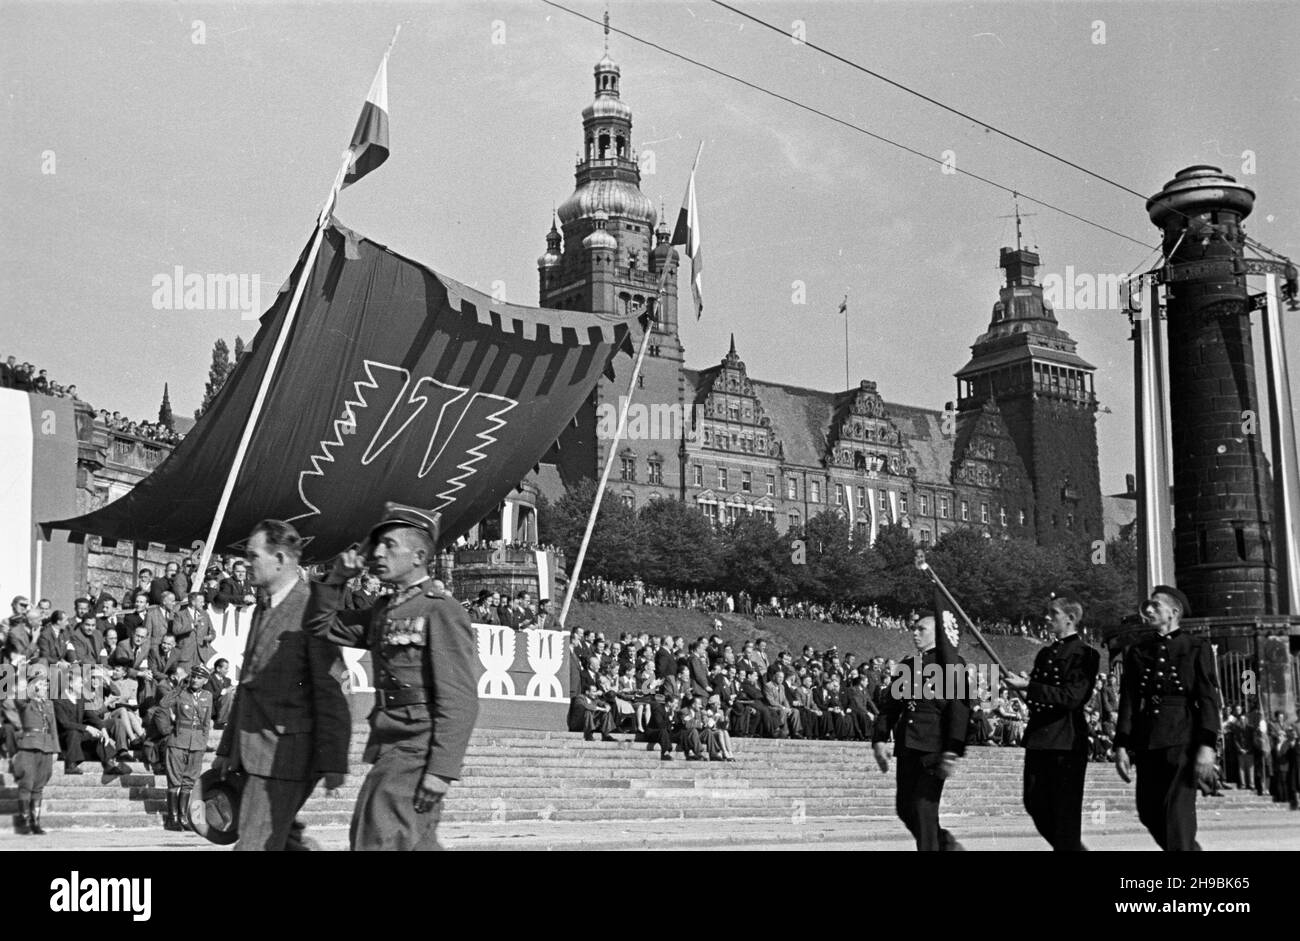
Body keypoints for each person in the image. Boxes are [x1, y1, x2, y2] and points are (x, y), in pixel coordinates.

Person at [305, 503, 478, 851]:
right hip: (391, 743)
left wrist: (441, 769)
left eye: (389, 546)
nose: (378, 554)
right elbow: (321, 625)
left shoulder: (440, 609)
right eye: (377, 545)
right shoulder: (385, 610)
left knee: (377, 836)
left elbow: (460, 698)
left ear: (418, 556)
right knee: (407, 841)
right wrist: (338, 578)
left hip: (417, 748)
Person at [213, 520, 351, 851]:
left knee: (255, 845)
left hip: (286, 755)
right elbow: (247, 687)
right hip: (252, 751)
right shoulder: (264, 605)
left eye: (252, 555)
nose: (247, 563)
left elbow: (331, 688)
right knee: (281, 840)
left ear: (279, 558)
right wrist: (225, 750)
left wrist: (334, 761)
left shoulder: (311, 607)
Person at [1114, 586, 1221, 851]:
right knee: (1148, 812)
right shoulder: (1138, 651)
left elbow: (1208, 698)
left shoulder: (1196, 647)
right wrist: (1121, 745)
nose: (1147, 610)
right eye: (1147, 606)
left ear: (1173, 612)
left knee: (1177, 816)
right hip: (1147, 739)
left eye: (1155, 606)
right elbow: (1128, 700)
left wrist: (1207, 745)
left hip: (1182, 738)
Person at [1002, 593, 1101, 851]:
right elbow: (1037, 698)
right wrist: (1022, 689)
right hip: (1040, 738)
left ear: (1070, 619)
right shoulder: (1045, 654)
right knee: (1033, 803)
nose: (1046, 618)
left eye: (1053, 613)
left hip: (1066, 740)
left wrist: (1029, 686)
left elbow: (1072, 698)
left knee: (1065, 815)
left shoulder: (1086, 654)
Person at [871, 615, 970, 852]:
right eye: (914, 629)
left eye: (921, 629)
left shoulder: (952, 663)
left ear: (936, 634)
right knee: (905, 808)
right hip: (908, 746)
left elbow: (960, 710)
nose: (914, 633)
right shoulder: (907, 665)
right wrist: (879, 739)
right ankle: (947, 846)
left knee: (924, 810)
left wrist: (953, 750)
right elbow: (891, 707)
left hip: (934, 748)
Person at [2, 668, 59, 835]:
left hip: (46, 745)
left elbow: (53, 728)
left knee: (39, 786)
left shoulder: (49, 704)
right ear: (34, 687)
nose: (45, 687)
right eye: (41, 684)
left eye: (45, 684)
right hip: (28, 745)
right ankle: (24, 820)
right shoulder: (26, 702)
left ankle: (35, 822)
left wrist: (55, 750)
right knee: (26, 783)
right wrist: (28, 684)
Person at [161, 664, 213, 831]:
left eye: (199, 678)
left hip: (197, 743)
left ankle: (183, 817)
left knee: (189, 781)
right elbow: (163, 703)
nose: (195, 680)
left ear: (205, 681)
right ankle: (172, 818)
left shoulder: (207, 696)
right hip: (178, 741)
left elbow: (206, 723)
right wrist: (178, 687)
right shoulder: (181, 693)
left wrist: (203, 743)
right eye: (193, 677)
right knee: (174, 780)